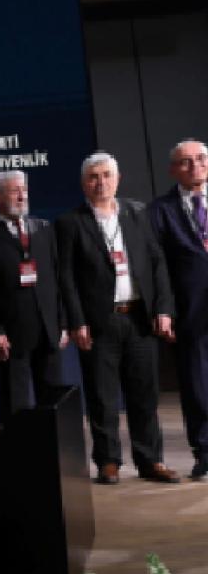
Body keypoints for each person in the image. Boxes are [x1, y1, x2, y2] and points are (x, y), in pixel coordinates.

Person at [57, 152, 179, 485]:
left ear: (118, 179)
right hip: (99, 322)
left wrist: (163, 309)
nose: (101, 182)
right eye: (93, 177)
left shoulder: (138, 213)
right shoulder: (70, 222)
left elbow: (157, 264)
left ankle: (150, 460)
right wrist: (76, 321)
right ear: (84, 183)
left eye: (107, 175)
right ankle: (108, 461)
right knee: (102, 396)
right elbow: (66, 277)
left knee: (144, 394)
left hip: (139, 317)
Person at [0, 170, 68, 422]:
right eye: (14, 191)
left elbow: (58, 279)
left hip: (48, 331)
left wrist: (62, 323)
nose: (21, 196)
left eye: (24, 190)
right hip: (12, 336)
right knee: (15, 406)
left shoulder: (44, 230)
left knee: (53, 403)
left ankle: (52, 449)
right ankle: (20, 449)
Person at [149, 139, 208, 479]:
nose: (195, 166)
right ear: (173, 169)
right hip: (190, 311)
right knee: (197, 385)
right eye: (186, 161)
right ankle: (205, 452)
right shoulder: (160, 211)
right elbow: (157, 267)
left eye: (201, 158)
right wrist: (165, 310)